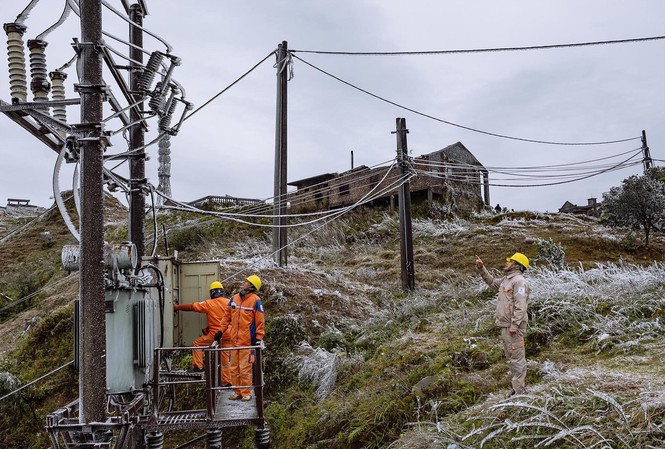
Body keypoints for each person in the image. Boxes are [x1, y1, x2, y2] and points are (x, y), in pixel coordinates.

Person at [475, 252, 530, 396]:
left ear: (517, 265)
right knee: (511, 358)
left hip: (513, 327)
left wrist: (515, 325)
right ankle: (517, 388)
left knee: (517, 358)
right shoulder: (507, 280)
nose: (506, 262)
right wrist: (482, 268)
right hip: (506, 326)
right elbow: (492, 283)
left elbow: (521, 305)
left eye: (509, 260)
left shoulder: (519, 282)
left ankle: (520, 392)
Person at [173, 281, 233, 384]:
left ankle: (198, 366)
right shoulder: (230, 302)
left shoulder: (208, 303)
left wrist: (177, 307)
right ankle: (227, 382)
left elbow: (193, 307)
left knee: (197, 343)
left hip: (216, 335)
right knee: (225, 360)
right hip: (229, 334)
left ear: (212, 292)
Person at [218, 274, 265, 402]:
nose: (243, 283)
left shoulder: (256, 301)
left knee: (245, 369)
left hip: (247, 342)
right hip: (234, 341)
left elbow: (260, 321)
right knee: (233, 368)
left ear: (252, 286)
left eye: (246, 282)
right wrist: (220, 332)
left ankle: (245, 392)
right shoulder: (234, 299)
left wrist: (259, 337)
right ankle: (236, 391)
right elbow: (226, 317)